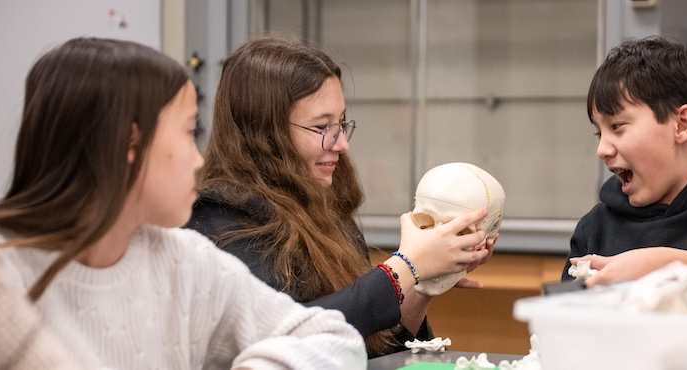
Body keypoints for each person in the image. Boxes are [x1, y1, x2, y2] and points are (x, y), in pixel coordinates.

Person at [0, 37, 366, 369]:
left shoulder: (185, 259)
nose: (199, 160)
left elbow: (335, 338)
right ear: (130, 144)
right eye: (189, 132)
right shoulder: (7, 272)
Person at [186, 37, 494, 358]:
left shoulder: (325, 210)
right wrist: (406, 267)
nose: (341, 144)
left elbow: (371, 352)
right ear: (263, 134)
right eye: (322, 127)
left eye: (341, 123)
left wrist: (425, 281)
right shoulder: (217, 222)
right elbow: (290, 337)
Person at [561, 36, 687, 287]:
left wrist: (665, 264)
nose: (602, 149)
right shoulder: (595, 230)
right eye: (599, 133)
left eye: (617, 126)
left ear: (682, 124)